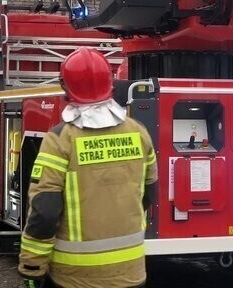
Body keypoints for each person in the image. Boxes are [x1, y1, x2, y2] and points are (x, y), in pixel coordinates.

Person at [18, 46, 158, 288]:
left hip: (74, 278)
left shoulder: (60, 139)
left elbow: (45, 211)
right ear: (110, 82)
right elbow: (149, 193)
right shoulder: (138, 132)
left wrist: (32, 267)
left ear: (65, 87)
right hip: (131, 273)